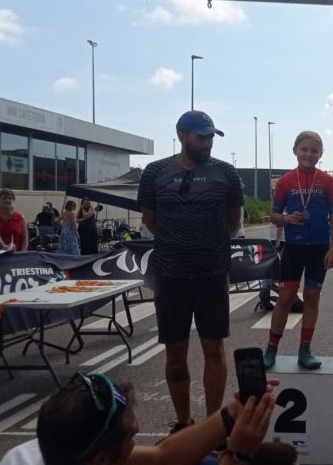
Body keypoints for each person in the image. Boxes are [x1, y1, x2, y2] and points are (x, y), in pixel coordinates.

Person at [138, 110, 244, 436]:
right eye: (201, 137)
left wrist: (204, 245)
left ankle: (212, 427)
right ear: (182, 135)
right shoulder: (155, 172)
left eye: (211, 136)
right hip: (170, 275)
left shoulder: (225, 173)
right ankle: (184, 424)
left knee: (214, 348)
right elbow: (151, 221)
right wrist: (180, 244)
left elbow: (234, 222)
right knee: (175, 352)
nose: (208, 143)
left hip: (212, 274)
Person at [0, 373, 278, 465]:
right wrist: (239, 455)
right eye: (132, 435)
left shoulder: (30, 454)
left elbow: (162, 455)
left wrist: (230, 414)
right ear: (102, 460)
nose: (138, 435)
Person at [264, 131, 333, 370]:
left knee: (312, 297)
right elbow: (274, 216)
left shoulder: (328, 182)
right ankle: (271, 349)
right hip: (294, 248)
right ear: (295, 150)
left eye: (314, 151)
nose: (309, 154)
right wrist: (286, 218)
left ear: (321, 153)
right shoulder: (285, 181)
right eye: (304, 149)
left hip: (319, 248)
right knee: (285, 298)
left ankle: (305, 350)